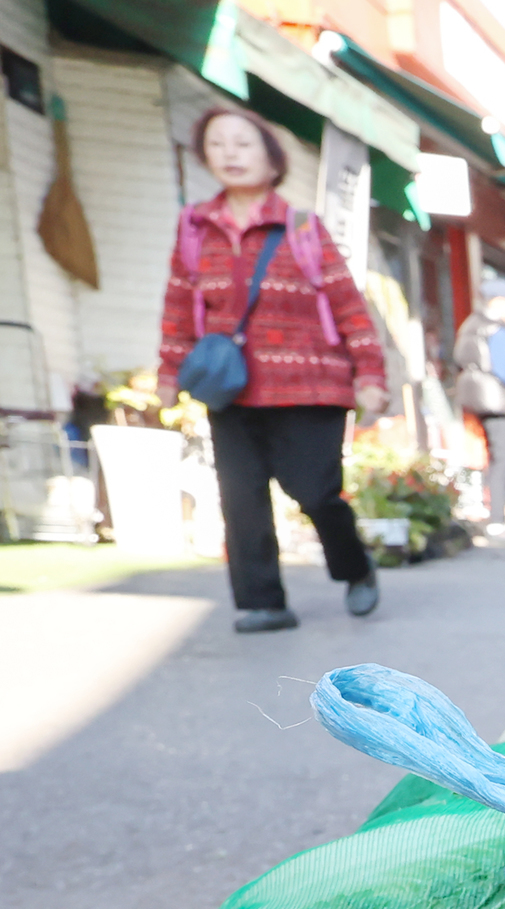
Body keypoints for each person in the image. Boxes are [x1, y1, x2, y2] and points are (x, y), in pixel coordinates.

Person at [157, 107, 387, 634]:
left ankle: (354, 566)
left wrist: (370, 375)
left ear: (271, 157)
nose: (231, 154)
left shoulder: (302, 227)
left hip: (310, 384)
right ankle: (262, 602)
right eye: (218, 145)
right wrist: (169, 372)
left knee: (315, 490)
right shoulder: (195, 228)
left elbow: (349, 304)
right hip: (229, 388)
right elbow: (177, 305)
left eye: (244, 143)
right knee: (240, 496)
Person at [453, 277, 505, 535]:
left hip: (479, 401)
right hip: (500, 403)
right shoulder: (495, 330)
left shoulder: (471, 325)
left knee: (490, 458)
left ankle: (491, 515)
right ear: (499, 302)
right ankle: (497, 519)